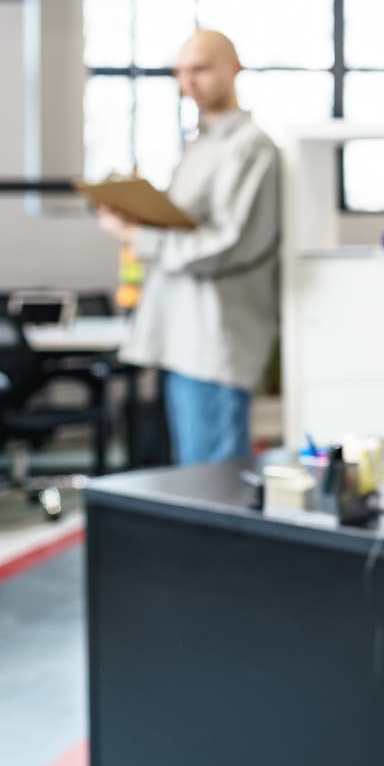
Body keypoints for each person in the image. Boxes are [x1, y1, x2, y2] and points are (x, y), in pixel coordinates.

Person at [97, 29, 280, 465]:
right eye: (180, 72)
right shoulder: (200, 144)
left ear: (234, 69)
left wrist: (137, 237)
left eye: (200, 69)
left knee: (213, 478)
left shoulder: (251, 147)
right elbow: (187, 225)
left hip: (214, 339)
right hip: (182, 334)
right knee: (195, 474)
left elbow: (228, 243)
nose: (188, 82)